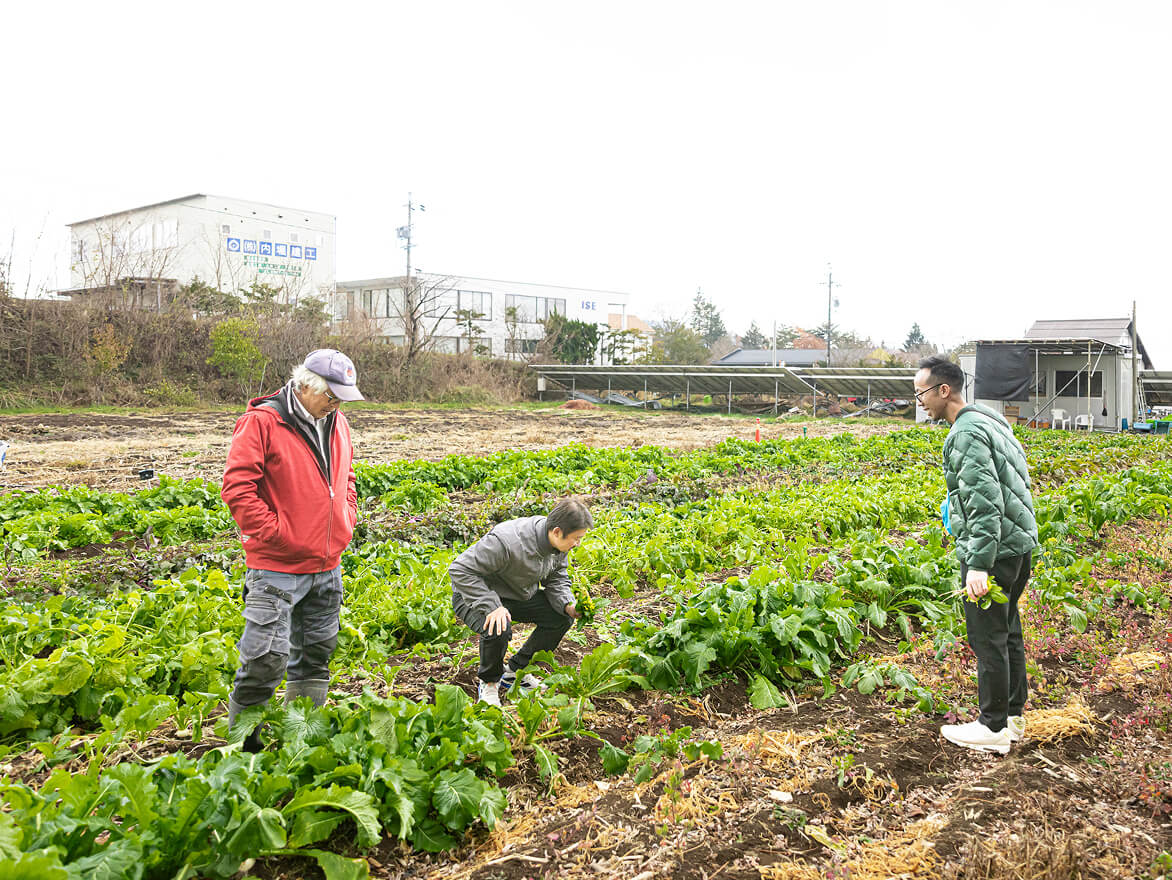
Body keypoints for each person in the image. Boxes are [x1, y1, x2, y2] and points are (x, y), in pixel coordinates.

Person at [221, 349, 363, 750]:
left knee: (317, 652)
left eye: (340, 397)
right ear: (304, 386)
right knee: (265, 658)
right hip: (277, 567)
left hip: (326, 565)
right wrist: (279, 534)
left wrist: (346, 518)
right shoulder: (262, 423)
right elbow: (238, 489)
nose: (335, 404)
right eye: (330, 396)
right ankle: (245, 748)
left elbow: (347, 477)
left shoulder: (337, 424)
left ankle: (300, 738)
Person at [915, 355, 1038, 755]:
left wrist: (979, 564)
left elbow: (985, 504)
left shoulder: (964, 434)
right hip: (1018, 546)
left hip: (994, 550)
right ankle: (1014, 717)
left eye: (921, 393)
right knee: (1008, 632)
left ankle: (993, 727)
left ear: (943, 390)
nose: (918, 400)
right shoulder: (989, 419)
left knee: (987, 638)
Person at [450, 499, 593, 706]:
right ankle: (489, 682)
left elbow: (557, 578)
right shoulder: (507, 541)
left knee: (560, 617)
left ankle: (514, 672)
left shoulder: (558, 546)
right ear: (556, 531)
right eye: (576, 538)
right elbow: (460, 570)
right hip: (473, 596)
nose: (577, 544)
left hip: (515, 595)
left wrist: (568, 605)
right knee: (498, 626)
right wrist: (492, 606)